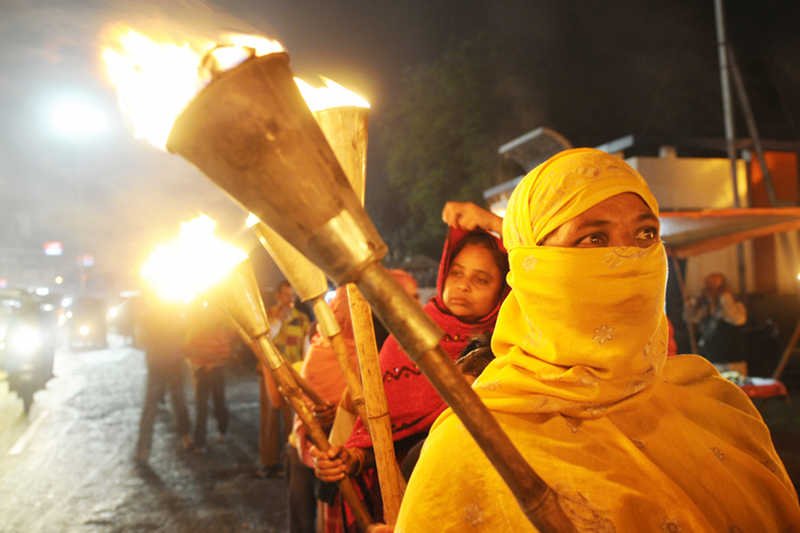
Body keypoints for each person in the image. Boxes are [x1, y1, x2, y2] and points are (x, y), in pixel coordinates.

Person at [395, 148, 799, 531]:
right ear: (533, 266)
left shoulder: (715, 403)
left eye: (645, 234)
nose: (628, 259)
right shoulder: (476, 448)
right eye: (594, 239)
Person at [310, 227, 510, 527]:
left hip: (459, 507)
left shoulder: (502, 349)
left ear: (501, 290)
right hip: (389, 504)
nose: (463, 286)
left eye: (481, 279)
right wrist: (350, 459)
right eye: (457, 273)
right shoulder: (406, 336)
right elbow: (374, 431)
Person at [134, 291, 192, 463]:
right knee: (175, 401)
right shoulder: (169, 314)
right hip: (167, 363)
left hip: (163, 363)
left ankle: (143, 449)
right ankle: (184, 437)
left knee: (155, 405)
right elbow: (184, 336)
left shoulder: (152, 315)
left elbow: (141, 340)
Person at [184, 301, 235, 452]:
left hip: (215, 371)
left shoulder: (219, 330)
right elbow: (188, 349)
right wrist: (203, 363)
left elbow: (225, 351)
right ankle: (201, 442)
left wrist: (211, 363)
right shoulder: (195, 330)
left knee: (218, 403)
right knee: (202, 407)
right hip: (202, 371)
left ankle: (222, 431)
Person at [687, 271, 748, 363]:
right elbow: (690, 319)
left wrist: (725, 299)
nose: (712, 291)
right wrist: (692, 304)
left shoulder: (736, 305)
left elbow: (738, 320)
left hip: (732, 361)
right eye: (709, 287)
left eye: (718, 288)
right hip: (710, 359)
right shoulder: (704, 307)